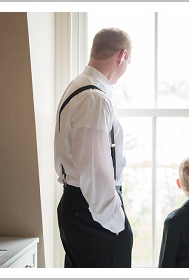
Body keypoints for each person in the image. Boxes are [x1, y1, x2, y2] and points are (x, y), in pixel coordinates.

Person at [55, 27, 133, 268]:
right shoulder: (94, 99)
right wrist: (116, 224)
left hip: (79, 207)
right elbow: (95, 171)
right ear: (121, 56)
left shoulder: (79, 85)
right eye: (128, 60)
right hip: (92, 212)